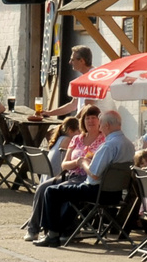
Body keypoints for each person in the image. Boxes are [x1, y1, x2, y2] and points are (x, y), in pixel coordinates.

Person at [30, 110, 134, 246]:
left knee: (52, 191)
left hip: (96, 191)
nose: (100, 128)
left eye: (101, 124)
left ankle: (52, 235)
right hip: (115, 193)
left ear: (107, 125)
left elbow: (94, 173)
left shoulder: (108, 146)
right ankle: (63, 231)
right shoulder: (129, 145)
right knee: (64, 190)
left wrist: (83, 162)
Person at [23, 112, 92, 243]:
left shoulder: (61, 139)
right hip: (60, 175)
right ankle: (38, 229)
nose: (82, 132)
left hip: (58, 176)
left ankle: (42, 230)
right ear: (72, 130)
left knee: (53, 190)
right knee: (49, 189)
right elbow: (64, 166)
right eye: (79, 129)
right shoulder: (69, 140)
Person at [43, 46, 95, 119]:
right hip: (83, 123)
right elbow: (73, 105)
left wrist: (72, 122)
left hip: (93, 125)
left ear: (82, 61)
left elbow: (88, 107)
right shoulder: (82, 79)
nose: (70, 62)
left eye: (72, 60)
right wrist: (49, 113)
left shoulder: (94, 78)